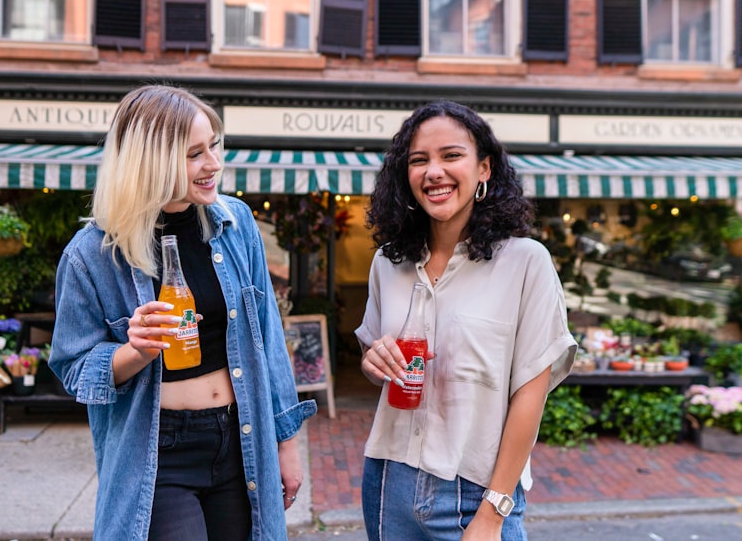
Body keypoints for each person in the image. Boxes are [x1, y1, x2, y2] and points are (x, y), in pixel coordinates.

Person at [49, 85, 316, 541]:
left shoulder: (236, 225)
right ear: (152, 161)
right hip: (158, 451)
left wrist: (287, 443)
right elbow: (73, 367)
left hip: (240, 438)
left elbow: (268, 339)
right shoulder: (92, 254)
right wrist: (134, 351)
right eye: (194, 154)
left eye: (213, 145)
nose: (214, 163)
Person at [355, 100, 576, 540]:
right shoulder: (388, 262)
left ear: (484, 169)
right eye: (419, 160)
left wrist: (493, 511)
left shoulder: (526, 263)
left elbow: (530, 395)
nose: (433, 171)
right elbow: (376, 357)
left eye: (451, 155)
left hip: (476, 491)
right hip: (388, 480)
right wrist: (371, 360)